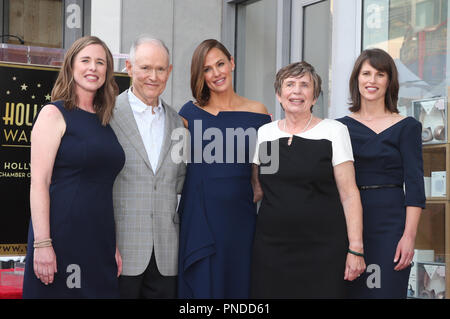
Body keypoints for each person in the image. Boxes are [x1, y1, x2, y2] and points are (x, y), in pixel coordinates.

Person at [251, 61, 366, 299]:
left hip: (323, 250)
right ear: (279, 94)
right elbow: (259, 189)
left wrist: (356, 248)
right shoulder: (265, 134)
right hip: (271, 250)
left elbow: (349, 193)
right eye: (290, 84)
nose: (296, 91)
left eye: (305, 85)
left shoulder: (334, 131)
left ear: (315, 97)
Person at [22, 36, 124, 298]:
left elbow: (102, 188)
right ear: (70, 66)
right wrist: (43, 244)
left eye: (100, 62)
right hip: (61, 239)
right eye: (86, 60)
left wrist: (111, 246)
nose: (93, 68)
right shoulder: (53, 114)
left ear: (107, 71)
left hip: (99, 242)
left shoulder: (105, 122)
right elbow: (39, 183)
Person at [177, 39, 271, 298]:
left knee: (239, 285)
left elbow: (264, 170)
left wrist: (257, 187)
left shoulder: (259, 113)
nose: (216, 73)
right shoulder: (187, 114)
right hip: (200, 217)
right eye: (207, 69)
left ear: (232, 63)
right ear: (200, 75)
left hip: (241, 219)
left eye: (220, 64)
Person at [337, 48, 425, 298]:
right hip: (348, 224)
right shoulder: (339, 128)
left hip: (391, 225)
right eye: (366, 73)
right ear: (357, 79)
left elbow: (415, 184)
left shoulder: (407, 127)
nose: (372, 81)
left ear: (389, 82)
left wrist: (409, 236)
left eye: (380, 74)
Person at [110, 35, 186, 299]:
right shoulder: (107, 114)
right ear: (129, 68)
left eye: (161, 68)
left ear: (169, 71)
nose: (153, 76)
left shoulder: (178, 122)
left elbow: (179, 182)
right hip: (121, 252)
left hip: (166, 255)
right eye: (145, 68)